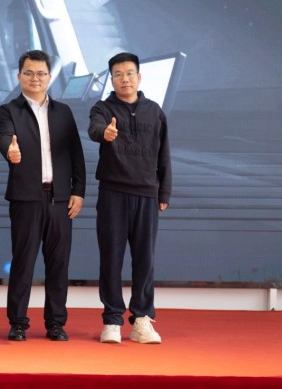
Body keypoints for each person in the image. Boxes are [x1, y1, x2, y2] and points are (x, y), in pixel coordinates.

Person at [0, 49, 86, 342]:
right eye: (29, 73)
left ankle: (56, 323)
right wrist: (10, 150)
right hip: (26, 199)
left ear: (49, 77)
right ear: (19, 76)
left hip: (60, 200)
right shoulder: (9, 110)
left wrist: (78, 191)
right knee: (23, 262)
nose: (35, 78)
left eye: (41, 73)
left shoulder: (63, 112)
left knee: (59, 264)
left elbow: (76, 154)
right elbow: (3, 137)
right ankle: (18, 323)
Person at [88, 52, 172, 344]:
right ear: (112, 79)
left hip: (147, 194)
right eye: (118, 74)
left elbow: (164, 153)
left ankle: (142, 319)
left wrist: (164, 191)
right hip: (112, 194)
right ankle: (112, 320)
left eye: (129, 73)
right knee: (111, 258)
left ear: (139, 76)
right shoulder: (102, 108)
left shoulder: (154, 111)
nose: (125, 79)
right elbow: (94, 129)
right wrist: (105, 133)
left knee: (145, 260)